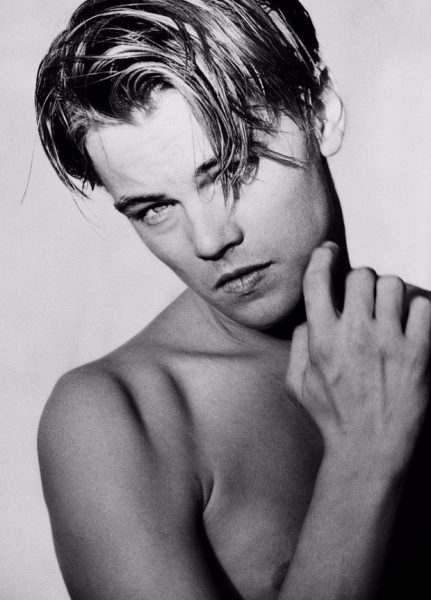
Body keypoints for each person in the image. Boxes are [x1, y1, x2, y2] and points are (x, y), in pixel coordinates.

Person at [35, 1, 431, 598]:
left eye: (232, 170)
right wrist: (363, 458)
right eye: (155, 208)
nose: (210, 240)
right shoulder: (118, 417)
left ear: (320, 113)